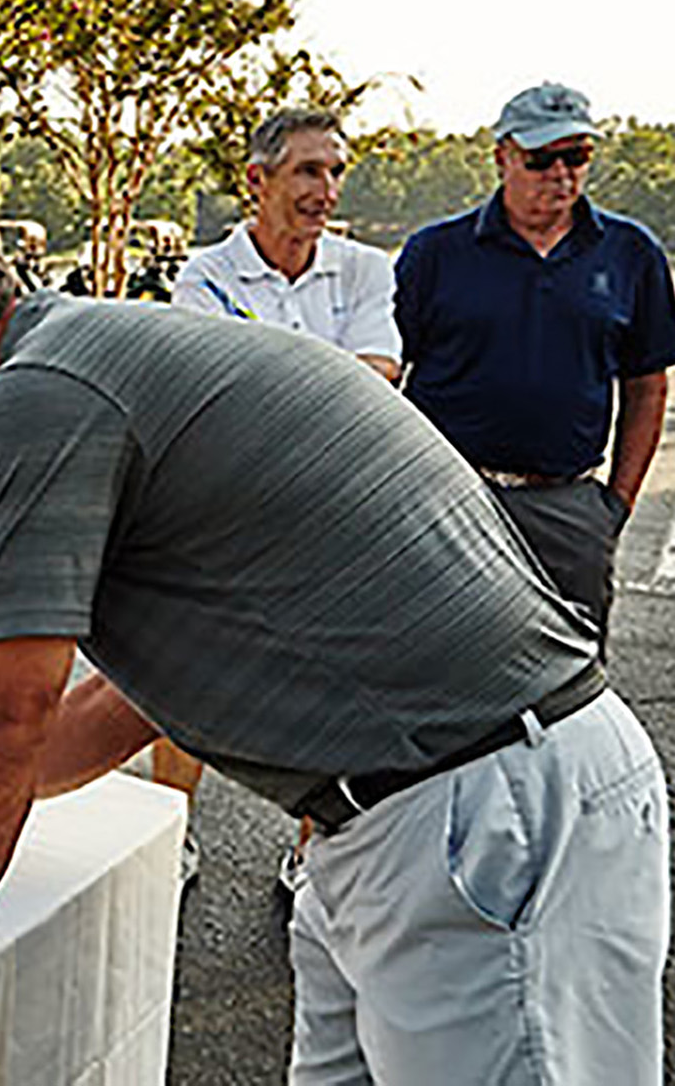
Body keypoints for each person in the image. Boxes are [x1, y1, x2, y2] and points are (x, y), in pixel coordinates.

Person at [0, 224, 665, 1083]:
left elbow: (1, 712)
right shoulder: (111, 348)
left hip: (479, 815)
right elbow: (130, 701)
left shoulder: (34, 392)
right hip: (442, 806)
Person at [163, 108, 401, 893]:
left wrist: (267, 378)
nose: (326, 190)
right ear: (257, 180)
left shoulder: (365, 270)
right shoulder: (205, 275)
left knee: (330, 692)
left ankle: (312, 853)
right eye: (307, 170)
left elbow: (378, 379)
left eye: (335, 171)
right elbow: (210, 397)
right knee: (187, 683)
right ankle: (171, 836)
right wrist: (324, 382)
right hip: (226, 519)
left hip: (335, 523)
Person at [397, 82, 675, 650]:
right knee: (437, 664)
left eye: (577, 156)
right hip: (447, 503)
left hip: (567, 509)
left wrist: (612, 508)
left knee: (566, 680)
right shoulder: (434, 253)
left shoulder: (631, 253)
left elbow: (647, 385)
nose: (561, 174)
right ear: (501, 157)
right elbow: (384, 375)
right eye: (541, 159)